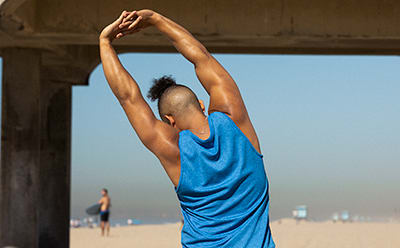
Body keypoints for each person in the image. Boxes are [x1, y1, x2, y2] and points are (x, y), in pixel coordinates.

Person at [99, 9, 275, 247]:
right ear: (201, 104)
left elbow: (128, 97)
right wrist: (155, 19)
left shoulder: (174, 151)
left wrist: (105, 42)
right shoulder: (236, 119)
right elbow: (201, 57)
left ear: (169, 121)